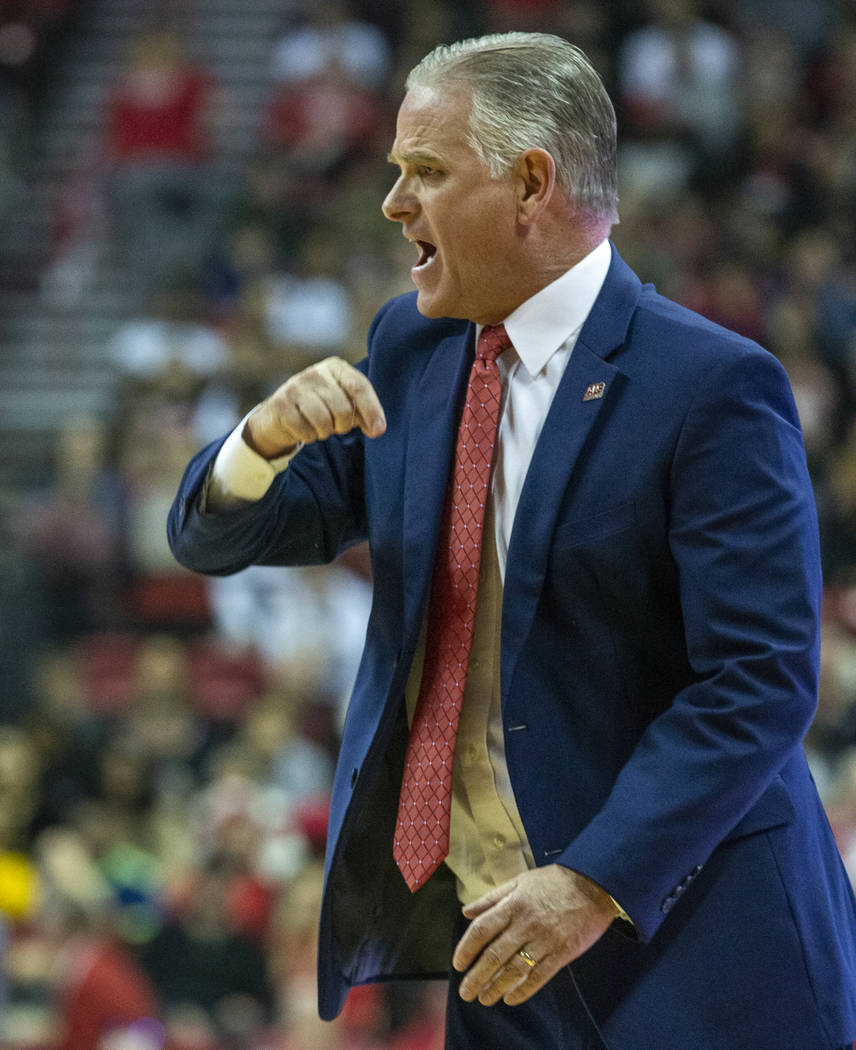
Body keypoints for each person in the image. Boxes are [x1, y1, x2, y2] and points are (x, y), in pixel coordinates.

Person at [168, 32, 856, 1050]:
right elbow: (219, 537)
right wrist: (257, 440)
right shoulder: (412, 348)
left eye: (426, 172)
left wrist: (589, 882)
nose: (394, 202)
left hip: (700, 953)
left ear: (530, 184)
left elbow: (756, 680)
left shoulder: (710, 386)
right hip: (498, 958)